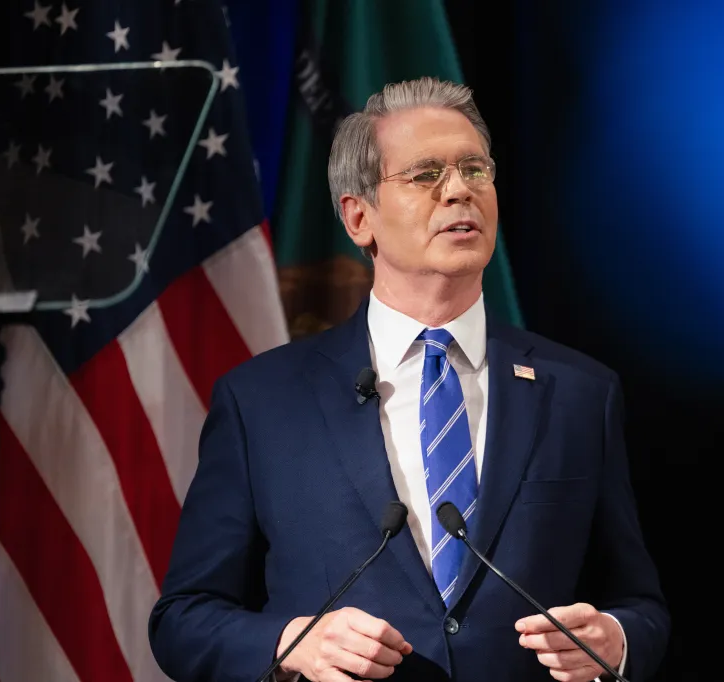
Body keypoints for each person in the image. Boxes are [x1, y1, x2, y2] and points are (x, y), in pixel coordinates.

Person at [148, 76, 670, 682]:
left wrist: (616, 640)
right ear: (358, 217)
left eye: (475, 169)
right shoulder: (261, 402)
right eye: (425, 175)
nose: (460, 191)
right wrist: (292, 644)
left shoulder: (579, 392)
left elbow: (639, 606)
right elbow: (183, 619)